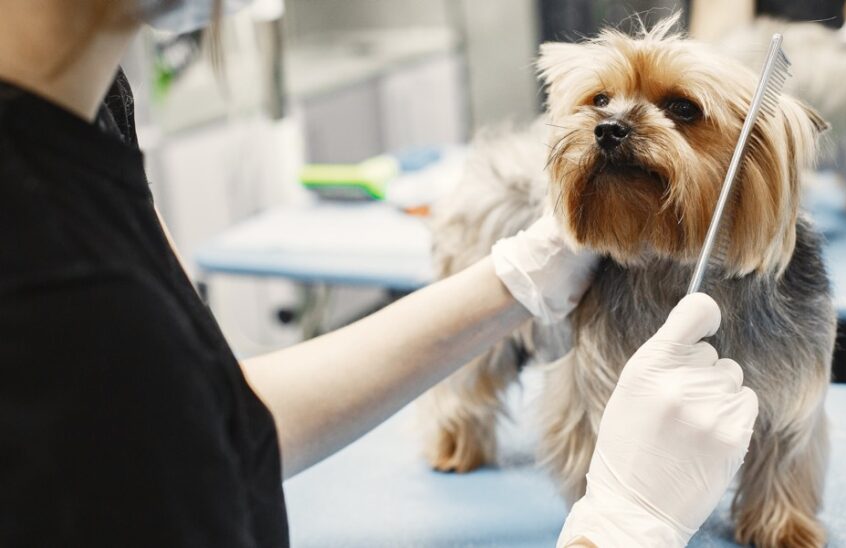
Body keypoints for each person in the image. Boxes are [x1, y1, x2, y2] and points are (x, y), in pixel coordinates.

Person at [0, 1, 758, 546]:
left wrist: (516, 278)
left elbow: (208, 416)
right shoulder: (56, 287)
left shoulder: (89, 106)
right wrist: (620, 528)